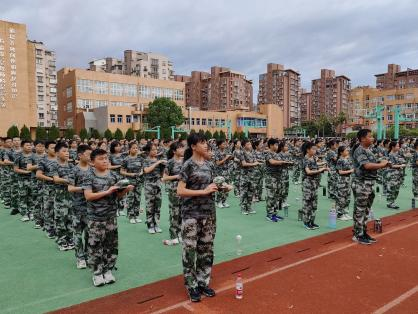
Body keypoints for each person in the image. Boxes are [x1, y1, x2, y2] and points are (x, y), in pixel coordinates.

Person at [177, 133, 232, 302]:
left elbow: (213, 184)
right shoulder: (188, 165)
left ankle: (203, 282)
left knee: (206, 250)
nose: (206, 145)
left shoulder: (209, 165)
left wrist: (223, 187)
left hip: (208, 214)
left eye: (206, 142)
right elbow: (180, 191)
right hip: (191, 215)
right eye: (202, 143)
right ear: (193, 146)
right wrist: (203, 191)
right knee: (190, 251)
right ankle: (191, 285)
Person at [83, 148, 134, 287]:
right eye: (100, 158)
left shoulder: (113, 175)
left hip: (111, 216)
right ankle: (97, 273)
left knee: (110, 245)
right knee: (95, 245)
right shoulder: (89, 175)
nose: (105, 160)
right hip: (95, 217)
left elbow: (117, 195)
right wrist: (107, 191)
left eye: (106, 158)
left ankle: (108, 270)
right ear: (92, 162)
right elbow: (88, 196)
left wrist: (124, 190)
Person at [351, 129, 389, 245]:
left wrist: (384, 162)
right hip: (362, 183)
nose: (372, 138)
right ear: (363, 139)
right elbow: (366, 166)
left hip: (369, 183)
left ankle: (363, 231)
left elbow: (373, 162)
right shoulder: (359, 150)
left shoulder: (368, 150)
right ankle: (358, 234)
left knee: (366, 210)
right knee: (360, 209)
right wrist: (382, 164)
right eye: (370, 136)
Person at [68, 144, 92, 269]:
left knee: (89, 233)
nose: (90, 157)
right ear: (80, 155)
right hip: (78, 206)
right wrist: (84, 188)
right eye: (88, 154)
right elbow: (70, 188)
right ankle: (80, 257)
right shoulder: (74, 170)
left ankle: (88, 255)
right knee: (77, 233)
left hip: (90, 207)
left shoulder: (92, 169)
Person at [52, 142, 74, 251]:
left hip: (71, 196)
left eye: (68, 151)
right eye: (64, 151)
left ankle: (70, 239)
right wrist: (68, 181)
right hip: (60, 196)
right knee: (61, 218)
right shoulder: (54, 165)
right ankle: (61, 240)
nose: (67, 153)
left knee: (70, 217)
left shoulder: (71, 165)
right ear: (57, 153)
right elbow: (56, 179)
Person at [301, 142, 328, 230]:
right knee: (307, 203)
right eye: (313, 149)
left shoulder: (312, 158)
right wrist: (320, 170)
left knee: (314, 204)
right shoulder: (305, 159)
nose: (315, 150)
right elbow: (308, 171)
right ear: (308, 150)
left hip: (314, 183)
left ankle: (312, 221)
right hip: (308, 184)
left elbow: (315, 166)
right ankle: (306, 222)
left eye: (315, 149)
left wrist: (323, 166)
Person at [162, 141, 184, 245]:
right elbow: (164, 178)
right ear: (174, 151)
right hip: (174, 191)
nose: (182, 150)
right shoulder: (170, 162)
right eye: (179, 148)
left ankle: (181, 233)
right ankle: (174, 235)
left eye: (182, 148)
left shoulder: (186, 161)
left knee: (183, 213)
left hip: (184, 190)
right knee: (174, 213)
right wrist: (176, 176)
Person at [143, 142, 167, 234]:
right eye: (153, 149)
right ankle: (150, 225)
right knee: (150, 206)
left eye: (156, 149)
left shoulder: (159, 160)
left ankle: (156, 224)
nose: (155, 151)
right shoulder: (146, 160)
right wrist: (157, 162)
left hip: (157, 184)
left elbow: (162, 172)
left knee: (158, 205)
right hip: (149, 184)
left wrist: (162, 166)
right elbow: (146, 170)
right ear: (148, 151)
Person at [36, 141, 58, 239]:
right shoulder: (43, 160)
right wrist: (52, 179)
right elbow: (38, 174)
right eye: (52, 148)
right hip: (49, 188)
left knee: (59, 208)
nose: (55, 150)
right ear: (46, 149)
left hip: (60, 188)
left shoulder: (61, 159)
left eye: (56, 147)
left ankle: (58, 228)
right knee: (48, 208)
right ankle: (49, 228)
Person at [120, 142, 144, 224]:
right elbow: (121, 171)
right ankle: (130, 216)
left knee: (138, 198)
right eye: (133, 148)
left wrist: (141, 172)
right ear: (129, 149)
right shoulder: (126, 159)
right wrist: (130, 174)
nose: (135, 149)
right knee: (131, 198)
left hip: (139, 181)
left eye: (137, 148)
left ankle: (136, 216)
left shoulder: (140, 158)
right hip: (130, 182)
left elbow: (142, 168)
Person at [13, 140, 34, 222]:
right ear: (22, 147)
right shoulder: (18, 156)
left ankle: (31, 212)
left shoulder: (34, 156)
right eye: (27, 145)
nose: (29, 146)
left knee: (32, 196)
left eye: (30, 145)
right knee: (23, 197)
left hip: (32, 180)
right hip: (22, 180)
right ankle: (24, 214)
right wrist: (26, 172)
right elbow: (15, 169)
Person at [239, 139, 259, 215]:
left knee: (251, 192)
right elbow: (244, 164)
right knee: (244, 192)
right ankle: (243, 208)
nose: (250, 146)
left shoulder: (252, 152)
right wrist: (254, 164)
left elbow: (255, 161)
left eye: (250, 144)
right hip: (245, 175)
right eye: (248, 144)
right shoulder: (241, 153)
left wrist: (256, 163)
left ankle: (249, 207)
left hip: (252, 175)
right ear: (244, 146)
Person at [386, 141, 407, 209]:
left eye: (398, 146)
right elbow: (391, 166)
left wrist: (402, 164)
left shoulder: (397, 154)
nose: (398, 147)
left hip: (398, 174)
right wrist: (401, 165)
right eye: (397, 146)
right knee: (392, 189)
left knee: (397, 189)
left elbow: (403, 160)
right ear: (393, 147)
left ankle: (392, 202)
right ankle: (390, 203)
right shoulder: (390, 155)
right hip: (392, 174)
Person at [335, 145, 353, 221]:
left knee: (347, 197)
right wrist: (351, 171)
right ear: (341, 152)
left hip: (348, 179)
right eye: (346, 150)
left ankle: (345, 212)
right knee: (341, 197)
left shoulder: (347, 159)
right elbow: (340, 172)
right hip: (342, 180)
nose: (347, 151)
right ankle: (339, 214)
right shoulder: (340, 160)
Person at [213, 139, 233, 208]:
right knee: (220, 187)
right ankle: (218, 202)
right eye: (223, 144)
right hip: (219, 172)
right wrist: (225, 158)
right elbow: (217, 163)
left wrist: (230, 158)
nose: (225, 145)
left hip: (226, 171)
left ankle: (224, 201)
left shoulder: (226, 151)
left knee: (226, 187)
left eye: (225, 144)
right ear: (219, 145)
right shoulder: (216, 152)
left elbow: (230, 158)